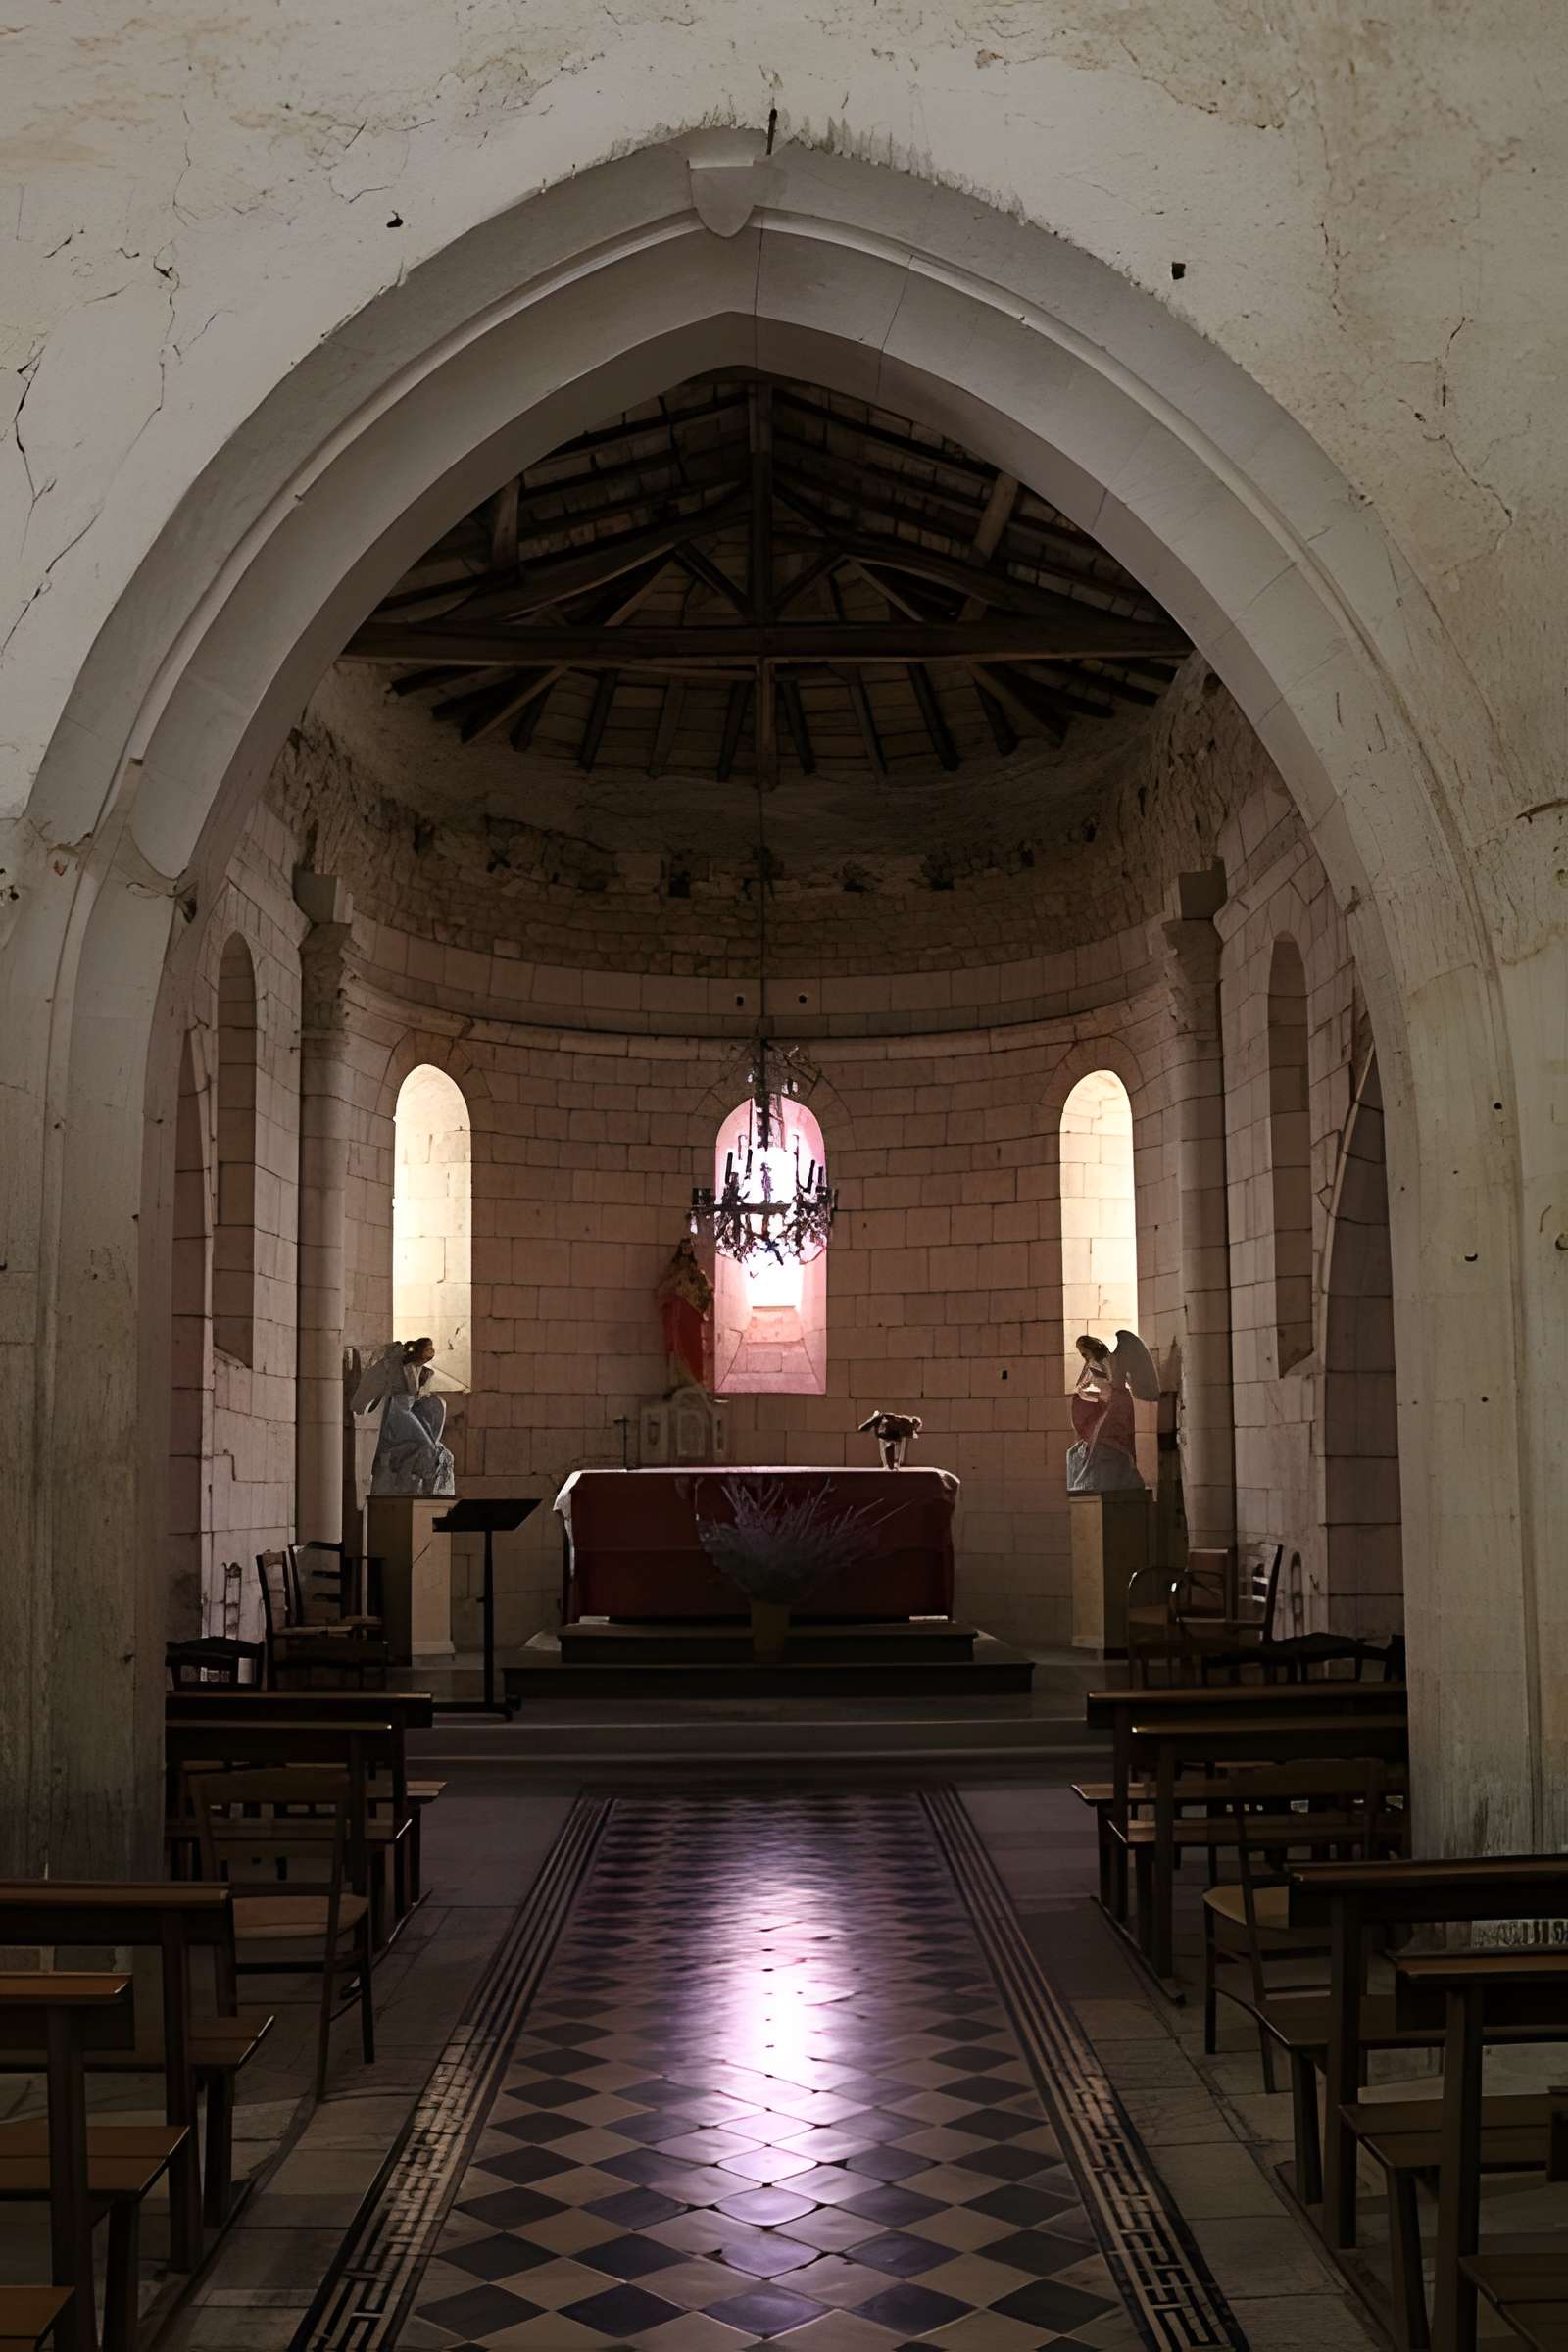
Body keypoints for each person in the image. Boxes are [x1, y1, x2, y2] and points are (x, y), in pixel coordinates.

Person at [351, 1337, 457, 1496]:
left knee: (434, 1449)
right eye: (428, 1350)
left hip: (414, 1411)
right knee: (426, 1446)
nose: (431, 1353)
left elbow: (422, 1397)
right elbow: (361, 1402)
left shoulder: (426, 1373)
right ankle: (422, 1485)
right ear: (419, 1351)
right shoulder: (393, 1366)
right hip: (396, 1413)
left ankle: (427, 1489)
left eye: (432, 1350)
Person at [1066, 1330, 1155, 1494]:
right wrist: (1084, 1392)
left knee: (1102, 1434)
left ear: (1091, 1348)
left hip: (1118, 1402)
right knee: (1094, 1435)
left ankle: (1111, 1476)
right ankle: (1094, 1476)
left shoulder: (1113, 1359)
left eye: (1084, 1353)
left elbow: (1112, 1381)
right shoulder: (1093, 1364)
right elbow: (1083, 1385)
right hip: (1107, 1402)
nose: (1084, 1357)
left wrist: (1096, 1390)